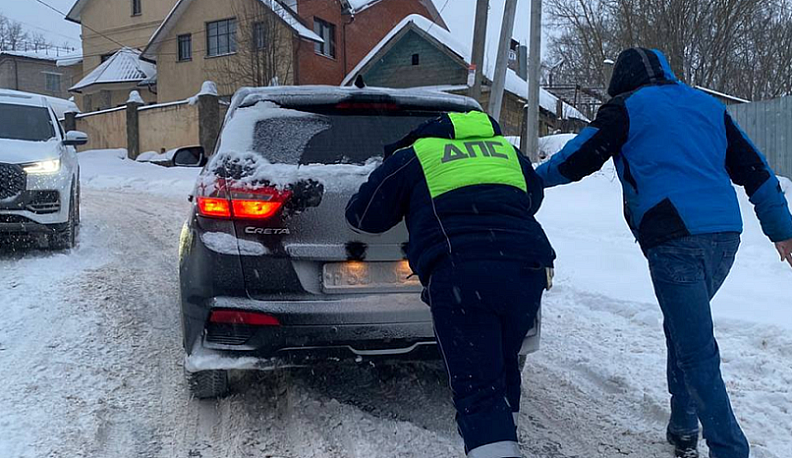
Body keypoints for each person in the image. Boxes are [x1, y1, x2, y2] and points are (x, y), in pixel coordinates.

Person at [535, 47, 792, 458]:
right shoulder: (706, 106)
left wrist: (527, 180)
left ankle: (729, 449)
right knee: (683, 329)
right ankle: (683, 426)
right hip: (725, 236)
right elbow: (756, 169)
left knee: (696, 350)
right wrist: (782, 229)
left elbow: (576, 159)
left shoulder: (626, 107)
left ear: (621, 81)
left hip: (674, 237)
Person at [346, 111, 555, 458]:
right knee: (502, 364)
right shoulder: (506, 152)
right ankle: (505, 440)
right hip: (527, 269)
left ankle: (497, 448)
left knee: (478, 387)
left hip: (462, 272)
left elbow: (363, 216)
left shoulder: (414, 155)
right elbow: (532, 198)